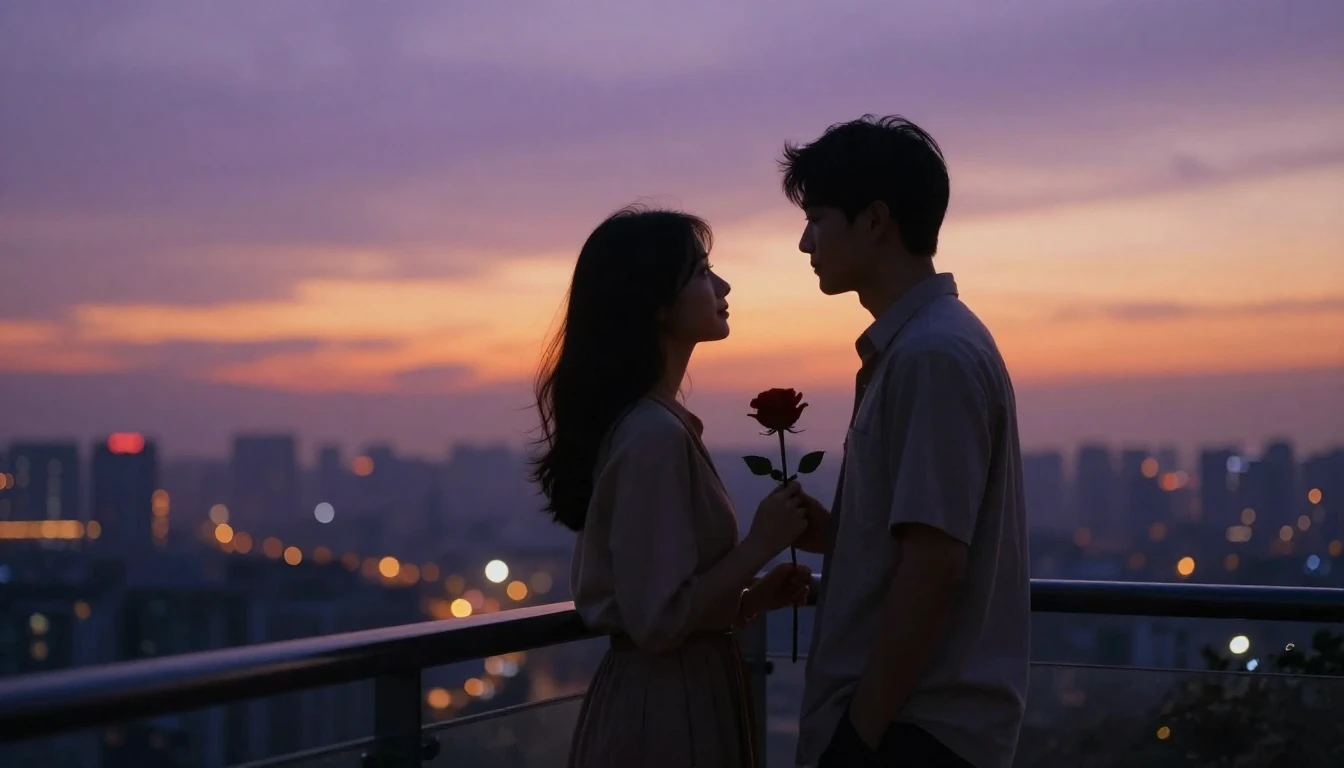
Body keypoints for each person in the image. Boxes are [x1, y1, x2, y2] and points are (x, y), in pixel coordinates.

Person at [781, 116, 1030, 768]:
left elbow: (935, 567)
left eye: (818, 218)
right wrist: (845, 535)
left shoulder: (931, 356)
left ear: (875, 221)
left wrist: (857, 740)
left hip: (914, 733)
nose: (806, 242)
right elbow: (925, 542)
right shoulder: (925, 345)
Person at [533, 205, 817, 768]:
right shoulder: (652, 436)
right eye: (701, 272)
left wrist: (749, 599)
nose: (723, 284)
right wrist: (759, 545)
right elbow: (657, 619)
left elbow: (665, 603)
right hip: (664, 712)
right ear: (657, 304)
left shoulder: (652, 426)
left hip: (675, 694)